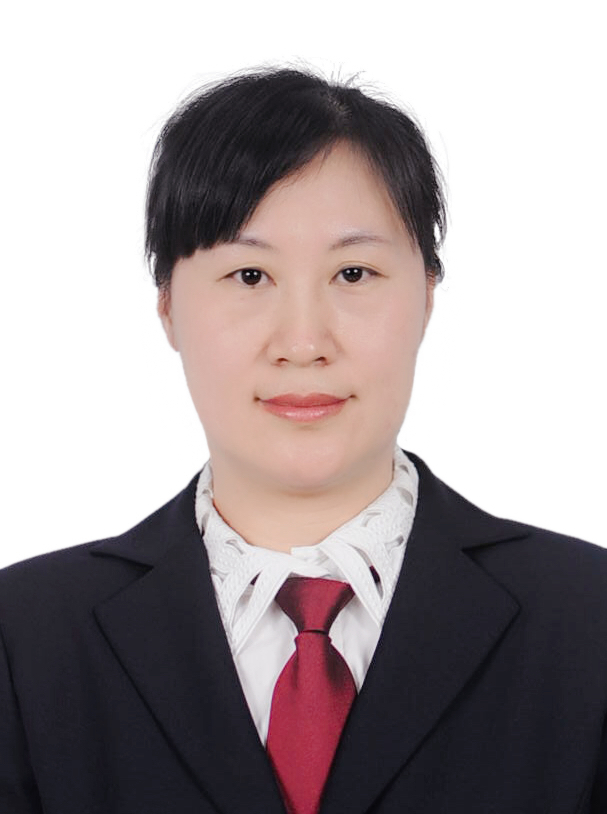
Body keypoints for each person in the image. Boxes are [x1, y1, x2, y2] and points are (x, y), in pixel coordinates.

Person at [0, 66, 605, 814]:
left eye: (353, 272)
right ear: (167, 307)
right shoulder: (26, 640)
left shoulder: (587, 620)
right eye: (249, 275)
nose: (304, 342)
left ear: (426, 296)